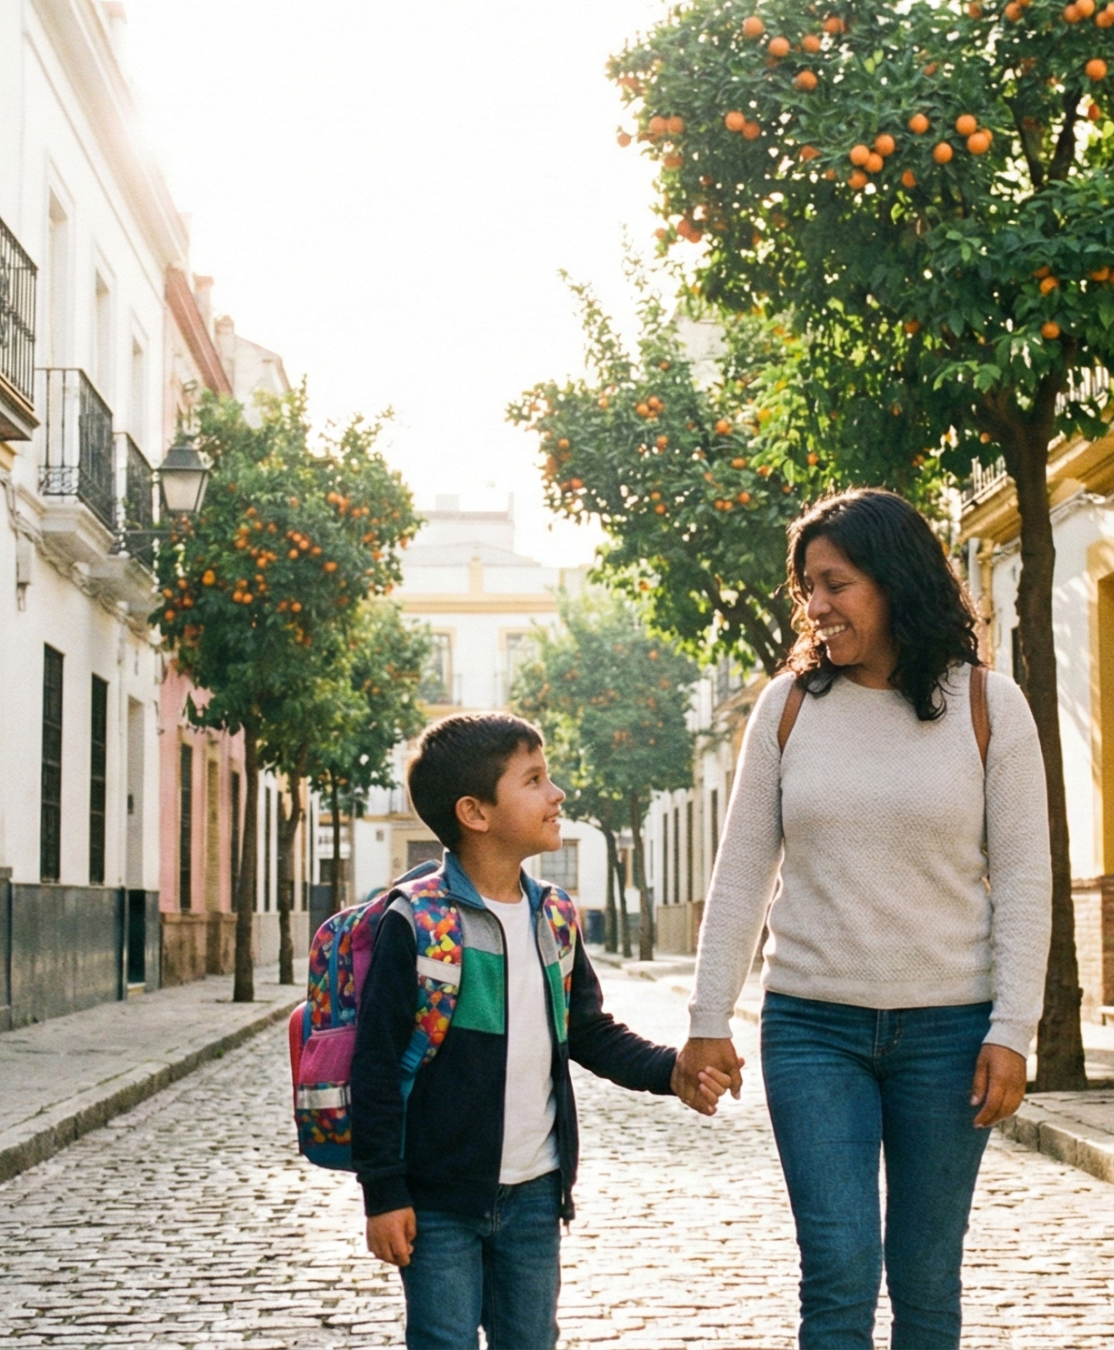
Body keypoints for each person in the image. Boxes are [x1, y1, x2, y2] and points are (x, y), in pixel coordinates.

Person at [677, 489, 1051, 1348]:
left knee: (926, 1277)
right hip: (813, 1028)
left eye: (836, 583)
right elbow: (740, 873)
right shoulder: (787, 707)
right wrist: (707, 1020)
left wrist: (1014, 1030)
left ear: (894, 581)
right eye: (808, 586)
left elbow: (1028, 877)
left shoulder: (990, 707)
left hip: (951, 1032)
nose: (817, 606)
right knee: (839, 1269)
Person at [353, 711, 728, 1348]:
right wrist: (383, 1193)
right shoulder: (415, 923)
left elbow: (589, 1032)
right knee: (443, 1340)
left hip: (535, 1193)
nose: (556, 795)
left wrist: (672, 1070)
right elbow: (376, 1067)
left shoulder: (553, 913)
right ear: (475, 813)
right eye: (534, 780)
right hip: (438, 1200)